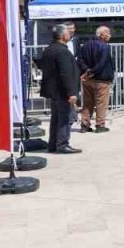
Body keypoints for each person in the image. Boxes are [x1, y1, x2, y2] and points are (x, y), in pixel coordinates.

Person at [39, 23, 82, 154]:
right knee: (64, 118)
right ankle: (62, 144)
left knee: (55, 118)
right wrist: (72, 93)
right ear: (63, 35)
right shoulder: (62, 51)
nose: (70, 34)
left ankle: (53, 144)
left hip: (54, 91)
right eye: (68, 33)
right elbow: (65, 73)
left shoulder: (49, 49)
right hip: (62, 91)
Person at [77, 25, 115, 134]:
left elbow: (80, 60)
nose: (110, 35)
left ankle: (85, 125)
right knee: (101, 103)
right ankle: (100, 125)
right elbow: (102, 64)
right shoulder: (104, 47)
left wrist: (87, 71)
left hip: (87, 79)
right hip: (101, 79)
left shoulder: (85, 45)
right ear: (101, 35)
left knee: (87, 103)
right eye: (107, 32)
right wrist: (91, 72)